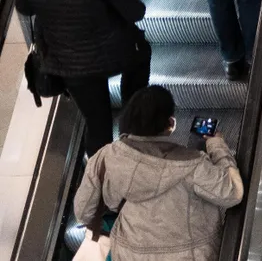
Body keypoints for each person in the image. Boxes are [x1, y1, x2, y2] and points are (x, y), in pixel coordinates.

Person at [16, 0, 150, 158]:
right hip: (112, 56)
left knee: (97, 123)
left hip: (69, 66)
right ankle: (133, 117)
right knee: (141, 52)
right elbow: (136, 12)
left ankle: (99, 179)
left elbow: (24, 7)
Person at [73, 86, 244, 261]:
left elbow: (84, 213)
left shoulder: (104, 158)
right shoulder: (193, 164)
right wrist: (217, 145)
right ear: (170, 124)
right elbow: (232, 193)